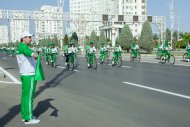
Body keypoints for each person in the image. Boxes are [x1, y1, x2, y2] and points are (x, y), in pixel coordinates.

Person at [16, 32, 40, 124]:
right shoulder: (23, 47)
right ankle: (28, 118)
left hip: (25, 74)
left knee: (25, 96)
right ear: (23, 38)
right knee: (29, 97)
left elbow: (27, 52)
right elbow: (28, 52)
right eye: (29, 37)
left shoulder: (21, 47)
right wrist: (34, 54)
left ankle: (25, 115)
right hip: (29, 75)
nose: (30, 39)